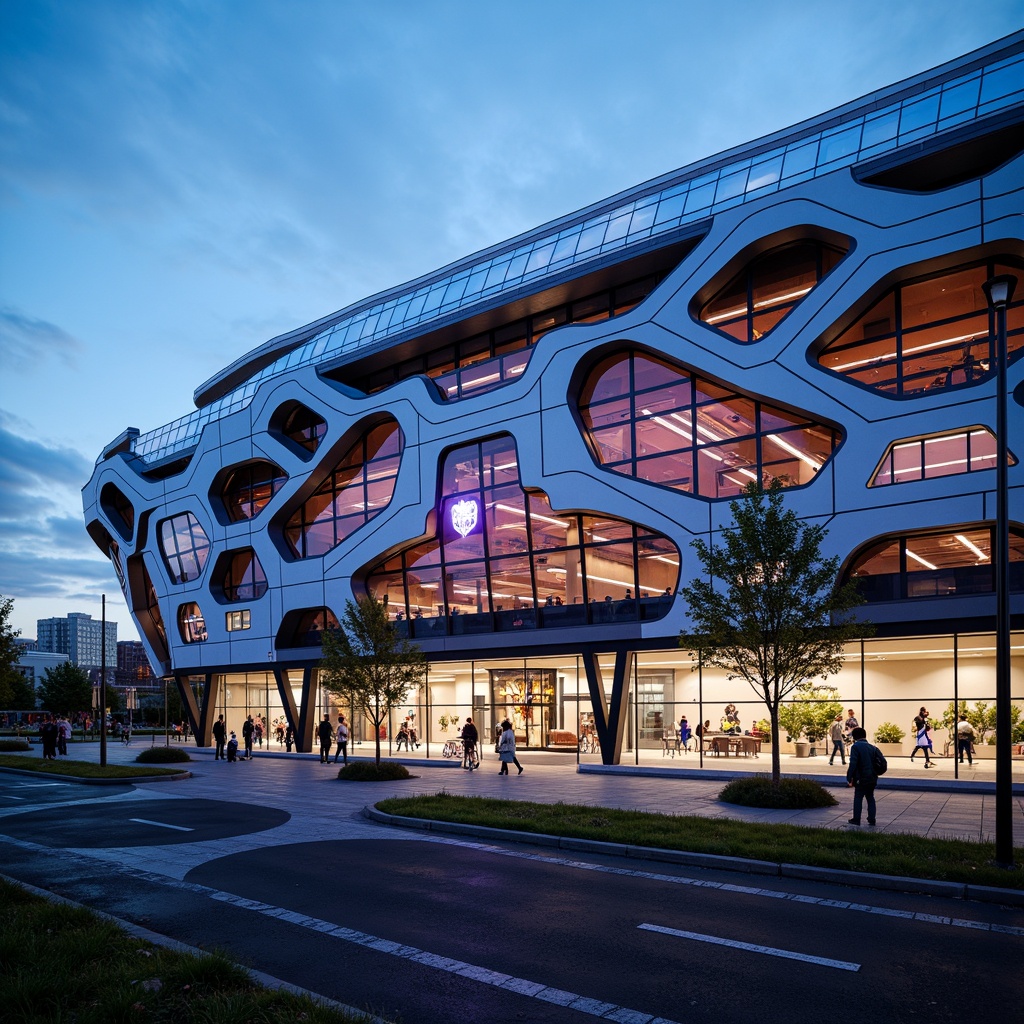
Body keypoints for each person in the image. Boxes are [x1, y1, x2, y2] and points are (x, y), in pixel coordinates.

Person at [846, 726, 884, 826]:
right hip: (872, 777)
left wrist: (849, 777)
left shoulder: (856, 747)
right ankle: (872, 819)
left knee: (858, 797)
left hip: (861, 778)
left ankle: (856, 819)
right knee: (870, 797)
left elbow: (853, 763)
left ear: (854, 737)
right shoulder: (872, 747)